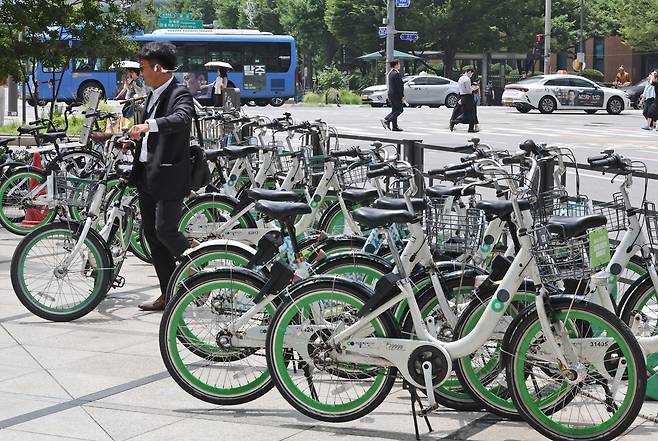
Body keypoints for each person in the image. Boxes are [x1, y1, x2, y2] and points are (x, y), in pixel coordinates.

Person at [127, 41, 194, 311]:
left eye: (143, 68)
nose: (141, 73)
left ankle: (198, 275)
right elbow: (148, 137)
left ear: (158, 67)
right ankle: (168, 294)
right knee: (152, 235)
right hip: (146, 173)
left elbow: (181, 119)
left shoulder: (180, 93)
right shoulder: (152, 93)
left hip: (169, 176)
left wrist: (148, 125)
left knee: (166, 230)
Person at [450, 67, 478, 133]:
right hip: (468, 97)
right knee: (472, 113)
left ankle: (454, 122)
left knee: (465, 113)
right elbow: (468, 90)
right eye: (471, 74)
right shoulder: (467, 79)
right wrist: (474, 88)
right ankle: (470, 129)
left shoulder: (460, 79)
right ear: (469, 72)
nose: (471, 75)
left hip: (462, 96)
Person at [381, 60, 405, 132]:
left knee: (394, 110)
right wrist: (402, 95)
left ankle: (395, 126)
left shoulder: (390, 73)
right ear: (396, 65)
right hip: (396, 94)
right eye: (399, 64)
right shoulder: (396, 74)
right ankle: (387, 120)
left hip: (391, 94)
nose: (399, 65)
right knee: (400, 109)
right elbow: (399, 86)